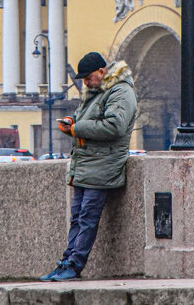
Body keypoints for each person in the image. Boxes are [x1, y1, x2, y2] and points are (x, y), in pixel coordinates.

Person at [40, 51, 137, 282]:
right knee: (78, 218)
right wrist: (72, 123)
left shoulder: (121, 91)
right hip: (87, 164)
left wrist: (77, 128)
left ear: (102, 72)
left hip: (104, 164)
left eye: (88, 77)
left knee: (87, 218)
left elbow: (114, 127)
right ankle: (66, 261)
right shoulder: (97, 91)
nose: (85, 82)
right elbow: (85, 119)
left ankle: (74, 265)